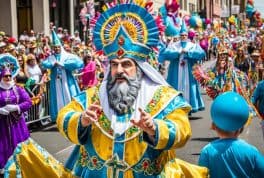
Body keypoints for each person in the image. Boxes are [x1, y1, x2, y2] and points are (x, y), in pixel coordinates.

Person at [56, 1, 208, 177]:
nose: (119, 70)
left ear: (140, 67)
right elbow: (63, 116)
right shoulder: (94, 96)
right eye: (114, 64)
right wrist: (80, 120)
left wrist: (155, 128)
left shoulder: (164, 97)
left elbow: (182, 129)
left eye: (126, 64)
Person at [198, 91, 264, 178]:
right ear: (241, 126)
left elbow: (200, 174)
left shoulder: (207, 151)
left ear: (214, 125)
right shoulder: (251, 151)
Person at [159, 21, 206, 113]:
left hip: (189, 72)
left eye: (185, 35)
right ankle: (177, 107)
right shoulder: (174, 46)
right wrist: (177, 53)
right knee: (176, 87)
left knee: (189, 87)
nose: (183, 37)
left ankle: (190, 107)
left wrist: (188, 53)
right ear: (179, 36)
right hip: (176, 72)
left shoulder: (192, 45)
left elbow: (201, 54)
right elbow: (165, 54)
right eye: (182, 35)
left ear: (187, 36)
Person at [0, 54, 32, 175]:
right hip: (2, 124)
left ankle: (20, 165)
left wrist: (17, 107)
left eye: (9, 75)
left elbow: (28, 102)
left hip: (17, 124)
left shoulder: (18, 89)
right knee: (3, 145)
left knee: (19, 144)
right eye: (5, 76)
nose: (8, 78)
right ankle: (5, 167)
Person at [41, 30, 83, 122]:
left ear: (61, 47)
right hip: (56, 83)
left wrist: (64, 65)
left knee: (69, 96)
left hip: (67, 82)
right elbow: (44, 64)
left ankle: (73, 116)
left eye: (58, 47)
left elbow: (78, 63)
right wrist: (53, 64)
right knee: (58, 99)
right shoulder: (51, 58)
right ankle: (60, 118)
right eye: (55, 47)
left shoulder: (67, 56)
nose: (57, 49)